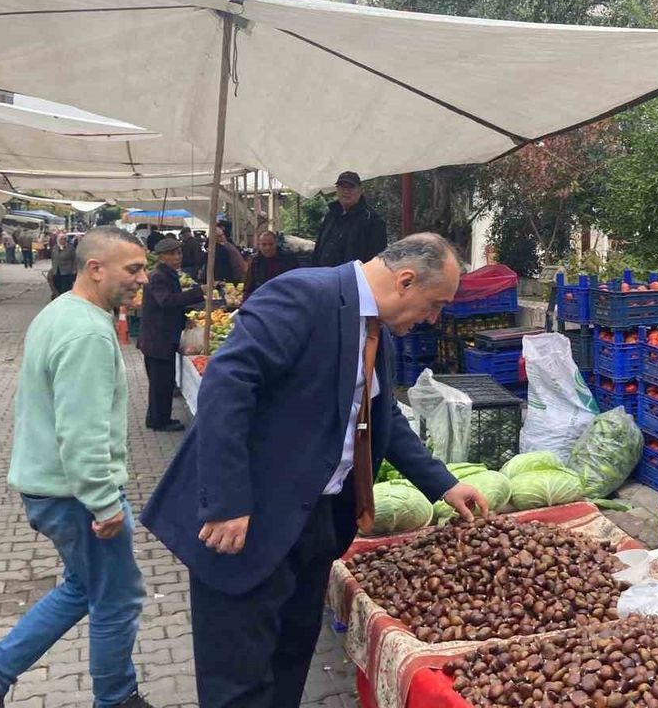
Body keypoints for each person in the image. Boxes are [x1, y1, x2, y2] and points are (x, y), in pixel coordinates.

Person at [141, 233, 489, 708]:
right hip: (246, 525)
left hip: (315, 525)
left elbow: (380, 420)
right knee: (238, 685)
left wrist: (443, 484)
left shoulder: (375, 331)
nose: (434, 318)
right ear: (405, 281)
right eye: (435, 304)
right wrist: (225, 501)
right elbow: (227, 384)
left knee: (289, 666)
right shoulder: (305, 295)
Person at [0, 227, 153, 708]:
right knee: (118, 599)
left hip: (50, 489)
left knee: (83, 588)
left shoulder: (61, 312)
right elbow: (81, 433)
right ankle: (117, 697)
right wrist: (104, 503)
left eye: (144, 268)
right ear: (94, 268)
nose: (142, 278)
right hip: (75, 496)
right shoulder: (86, 332)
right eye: (133, 269)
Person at [137, 238, 206, 432]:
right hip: (158, 338)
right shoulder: (159, 276)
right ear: (161, 257)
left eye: (179, 253)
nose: (177, 257)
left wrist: (185, 319)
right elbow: (166, 301)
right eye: (172, 254)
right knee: (162, 383)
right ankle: (160, 421)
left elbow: (169, 307)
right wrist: (197, 292)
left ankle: (155, 418)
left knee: (162, 382)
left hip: (161, 337)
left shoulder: (167, 274)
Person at [310, 171, 387, 268]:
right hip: (325, 276)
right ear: (337, 190)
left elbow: (377, 259)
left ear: (360, 190)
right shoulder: (331, 215)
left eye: (351, 187)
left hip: (352, 278)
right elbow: (318, 249)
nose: (346, 191)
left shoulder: (371, 220)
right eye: (342, 187)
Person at [243, 230, 299, 301]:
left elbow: (297, 282)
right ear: (259, 245)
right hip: (262, 300)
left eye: (271, 244)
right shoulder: (255, 261)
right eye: (264, 244)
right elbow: (248, 288)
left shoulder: (288, 258)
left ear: (276, 244)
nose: (268, 248)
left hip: (284, 299)